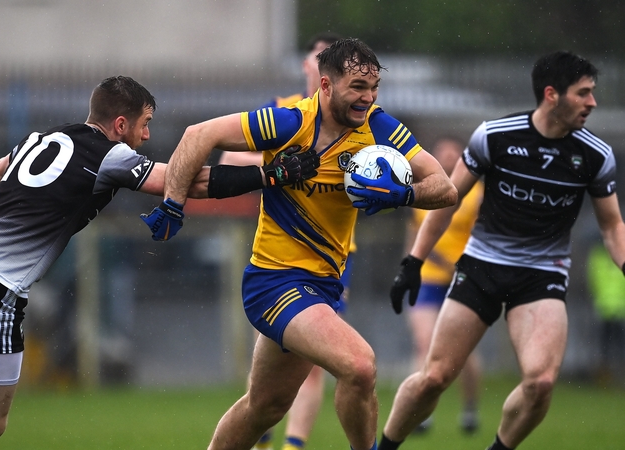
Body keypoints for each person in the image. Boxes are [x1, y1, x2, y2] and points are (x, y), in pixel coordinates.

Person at [0, 75, 319, 449]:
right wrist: (269, 174)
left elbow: (0, 169)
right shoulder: (109, 154)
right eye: (145, 125)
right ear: (121, 124)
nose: (147, 137)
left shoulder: (45, 135)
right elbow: (185, 181)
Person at [148, 38, 457, 450]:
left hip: (322, 286)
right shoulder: (289, 123)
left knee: (265, 407)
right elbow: (197, 135)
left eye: (373, 88)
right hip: (275, 282)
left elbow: (444, 187)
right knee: (360, 366)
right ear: (326, 86)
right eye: (357, 88)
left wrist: (402, 195)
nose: (368, 98)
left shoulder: (379, 128)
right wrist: (172, 202)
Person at [380, 51, 625, 450]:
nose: (592, 103)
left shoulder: (595, 155)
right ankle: (385, 446)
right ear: (551, 95)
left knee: (541, 382)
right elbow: (449, 199)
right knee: (435, 376)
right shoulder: (495, 136)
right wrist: (413, 261)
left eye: (592, 94)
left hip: (542, 276)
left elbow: (613, 226)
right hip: (482, 268)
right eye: (583, 94)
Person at [220, 31, 345, 450]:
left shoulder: (358, 122)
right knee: (269, 363)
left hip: (330, 261)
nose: (323, 62)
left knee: (313, 363)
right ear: (308, 67)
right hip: (278, 256)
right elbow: (227, 159)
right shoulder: (282, 112)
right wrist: (278, 164)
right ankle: (263, 434)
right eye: (317, 55)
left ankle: (292, 445)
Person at [402, 136, 484, 435]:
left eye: (453, 153)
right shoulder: (424, 192)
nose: (447, 158)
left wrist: (463, 267)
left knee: (462, 352)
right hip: (428, 279)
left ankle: (470, 409)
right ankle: (419, 415)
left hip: (461, 278)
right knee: (424, 343)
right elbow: (415, 236)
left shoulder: (476, 195)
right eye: (442, 153)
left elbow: (482, 235)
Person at [586, 240, 625, 384]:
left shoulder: (599, 257)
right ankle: (605, 376)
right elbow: (593, 281)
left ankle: (616, 375)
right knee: (605, 346)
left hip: (617, 309)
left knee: (615, 346)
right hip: (604, 309)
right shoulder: (599, 257)